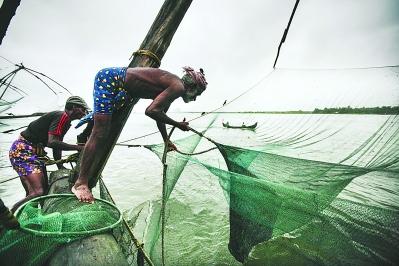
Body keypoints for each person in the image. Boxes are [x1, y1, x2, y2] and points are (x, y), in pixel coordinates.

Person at [72, 66, 208, 203]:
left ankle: (84, 141)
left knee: (103, 126)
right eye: (197, 94)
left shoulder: (174, 87)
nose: (195, 99)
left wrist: (166, 140)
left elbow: (159, 115)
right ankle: (80, 183)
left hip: (122, 89)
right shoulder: (178, 87)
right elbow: (151, 111)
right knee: (100, 132)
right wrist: (177, 124)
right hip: (110, 80)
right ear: (192, 87)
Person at [8, 96, 89, 213]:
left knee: (39, 192)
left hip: (32, 153)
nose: (84, 112)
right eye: (83, 109)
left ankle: (32, 218)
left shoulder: (65, 121)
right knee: (37, 192)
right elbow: (52, 143)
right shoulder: (62, 116)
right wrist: (79, 148)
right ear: (74, 107)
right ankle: (9, 216)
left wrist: (60, 166)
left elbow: (56, 144)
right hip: (23, 151)